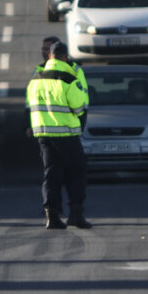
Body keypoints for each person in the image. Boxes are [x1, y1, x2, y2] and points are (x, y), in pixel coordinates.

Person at [26, 40, 90, 230]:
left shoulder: (36, 79)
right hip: (66, 133)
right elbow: (79, 107)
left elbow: (30, 104)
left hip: (43, 133)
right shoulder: (69, 78)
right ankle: (76, 214)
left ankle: (51, 216)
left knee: (51, 174)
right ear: (66, 57)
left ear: (51, 56)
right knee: (77, 171)